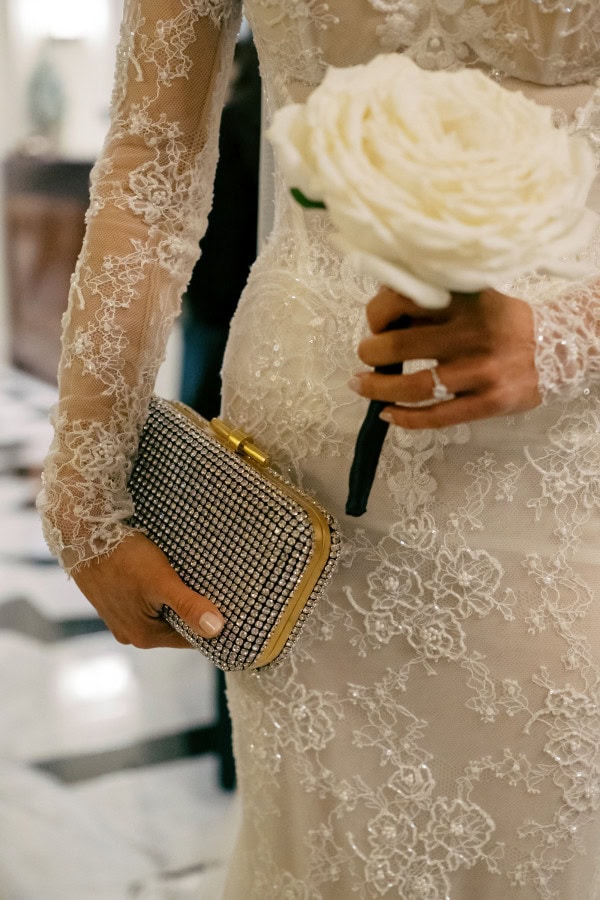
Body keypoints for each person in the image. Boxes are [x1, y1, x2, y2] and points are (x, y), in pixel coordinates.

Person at [37, 2, 600, 897]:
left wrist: (568, 337)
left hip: (561, 475)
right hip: (308, 475)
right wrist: (84, 495)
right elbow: (152, 168)